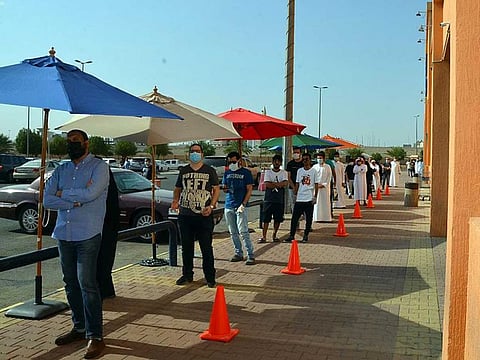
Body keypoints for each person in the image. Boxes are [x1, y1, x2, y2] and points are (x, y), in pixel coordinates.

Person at [44, 129, 108, 359]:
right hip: (64, 233)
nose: (72, 145)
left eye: (76, 142)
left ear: (86, 144)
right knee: (70, 283)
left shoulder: (99, 167)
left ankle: (96, 336)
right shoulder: (62, 169)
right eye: (69, 142)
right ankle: (79, 327)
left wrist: (64, 194)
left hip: (88, 234)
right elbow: (47, 199)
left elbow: (92, 193)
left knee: (87, 284)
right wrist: (74, 200)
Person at [171, 143, 220, 288]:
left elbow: (216, 190)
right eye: (192, 151)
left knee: (206, 247)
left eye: (197, 151)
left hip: (204, 216)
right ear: (189, 154)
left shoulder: (209, 170)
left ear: (202, 154)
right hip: (185, 215)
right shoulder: (184, 171)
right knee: (186, 247)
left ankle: (210, 277)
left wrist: (211, 206)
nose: (195, 154)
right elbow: (178, 188)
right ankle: (187, 274)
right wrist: (175, 201)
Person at [223, 151, 256, 265]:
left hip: (240, 205)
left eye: (233, 161)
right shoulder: (227, 173)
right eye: (230, 161)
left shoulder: (245, 173)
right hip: (229, 205)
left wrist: (244, 204)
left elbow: (249, 189)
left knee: (243, 231)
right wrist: (225, 189)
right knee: (233, 232)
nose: (232, 163)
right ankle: (238, 253)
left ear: (238, 161)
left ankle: (250, 254)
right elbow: (225, 187)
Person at [96, 166, 120, 300]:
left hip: (104, 225)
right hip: (108, 224)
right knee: (105, 260)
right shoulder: (106, 176)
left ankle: (103, 290)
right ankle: (106, 289)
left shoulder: (101, 178)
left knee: (101, 260)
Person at [286, 152, 318, 243]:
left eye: (307, 159)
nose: (305, 161)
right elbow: (297, 183)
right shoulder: (300, 171)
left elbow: (316, 184)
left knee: (308, 218)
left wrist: (315, 196)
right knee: (295, 218)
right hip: (300, 197)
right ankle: (291, 235)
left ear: (310, 160)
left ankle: (306, 235)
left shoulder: (314, 171)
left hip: (309, 198)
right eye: (303, 159)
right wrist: (295, 193)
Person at [258, 154, 288, 243]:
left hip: (279, 199)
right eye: (275, 161)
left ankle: (274, 235)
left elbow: (285, 183)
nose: (277, 163)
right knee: (266, 219)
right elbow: (267, 183)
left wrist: (275, 184)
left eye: (278, 161)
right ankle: (264, 236)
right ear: (273, 162)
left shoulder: (284, 172)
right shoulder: (268, 172)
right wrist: (278, 184)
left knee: (278, 219)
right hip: (269, 199)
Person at [313, 151, 332, 222]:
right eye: (318, 158)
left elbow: (329, 177)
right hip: (316, 187)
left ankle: (326, 218)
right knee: (317, 203)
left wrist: (324, 184)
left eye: (320, 158)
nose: (319, 159)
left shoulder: (327, 167)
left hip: (325, 188)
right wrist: (316, 185)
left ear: (324, 158)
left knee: (325, 202)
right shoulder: (314, 167)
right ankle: (317, 218)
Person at [286, 147, 304, 212]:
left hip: (302, 187)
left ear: (300, 154)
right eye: (294, 153)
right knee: (293, 203)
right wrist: (294, 188)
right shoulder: (290, 164)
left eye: (297, 152)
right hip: (292, 187)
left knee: (303, 203)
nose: (296, 154)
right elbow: (288, 177)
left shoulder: (303, 163)